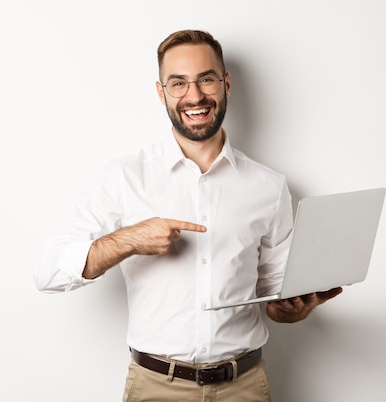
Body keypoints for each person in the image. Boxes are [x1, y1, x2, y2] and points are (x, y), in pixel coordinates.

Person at [35, 29, 343, 402]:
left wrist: (291, 310)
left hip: (244, 387)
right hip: (155, 388)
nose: (194, 96)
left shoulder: (269, 185)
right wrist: (129, 239)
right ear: (161, 91)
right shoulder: (125, 178)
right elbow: (47, 271)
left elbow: (274, 295)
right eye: (178, 83)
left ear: (225, 83)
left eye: (206, 80)